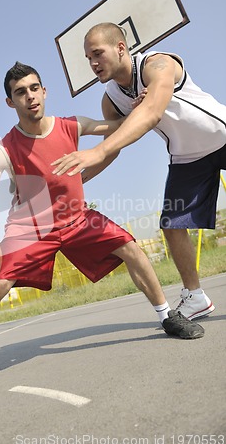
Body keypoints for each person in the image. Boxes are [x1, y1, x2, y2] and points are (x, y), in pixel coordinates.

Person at [0, 61, 204, 403]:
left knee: (131, 247)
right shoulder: (3, 149)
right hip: (30, 228)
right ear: (11, 103)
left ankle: (167, 316)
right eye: (20, 92)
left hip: (76, 217)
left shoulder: (71, 125)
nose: (30, 97)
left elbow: (118, 126)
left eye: (34, 88)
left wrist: (140, 106)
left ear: (44, 91)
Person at [52, 22, 226, 320]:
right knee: (172, 225)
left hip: (220, 135)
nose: (93, 63)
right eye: (88, 58)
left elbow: (151, 112)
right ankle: (195, 296)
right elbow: (113, 146)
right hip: (186, 156)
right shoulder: (111, 98)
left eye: (97, 53)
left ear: (121, 48)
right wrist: (75, 182)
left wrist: (97, 150)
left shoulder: (158, 64)